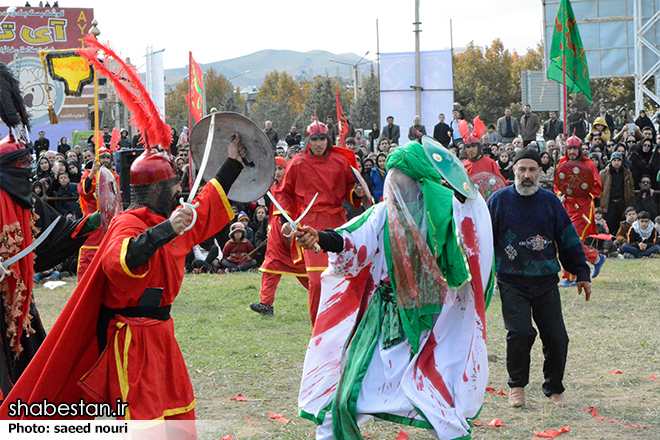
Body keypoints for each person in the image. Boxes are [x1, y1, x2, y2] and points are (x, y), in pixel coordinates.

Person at [0, 134, 247, 432]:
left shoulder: (173, 221)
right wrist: (165, 231)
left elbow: (205, 205)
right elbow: (119, 261)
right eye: (173, 184)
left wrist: (233, 162)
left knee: (178, 411)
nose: (180, 189)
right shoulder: (127, 223)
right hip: (132, 341)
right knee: (144, 421)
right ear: (154, 190)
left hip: (163, 335)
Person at [295, 140, 493, 440]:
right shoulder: (381, 215)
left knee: (437, 395)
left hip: (434, 324)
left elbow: (472, 249)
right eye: (393, 179)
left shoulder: (448, 213)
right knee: (350, 390)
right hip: (383, 322)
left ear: (420, 180)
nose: (396, 187)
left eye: (404, 180)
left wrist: (469, 202)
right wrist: (321, 239)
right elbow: (351, 239)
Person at [488, 147, 591, 409]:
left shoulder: (550, 202)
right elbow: (482, 240)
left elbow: (567, 238)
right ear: (514, 170)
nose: (527, 175)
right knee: (520, 333)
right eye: (522, 169)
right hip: (511, 280)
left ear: (540, 172)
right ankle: (517, 386)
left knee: (557, 337)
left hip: (545, 281)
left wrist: (581, 272)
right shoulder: (498, 201)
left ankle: (554, 389)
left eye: (532, 169)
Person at [0, 133, 100, 402]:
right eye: (19, 168)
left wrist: (95, 221)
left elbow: (58, 233)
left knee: (33, 369)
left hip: (20, 301)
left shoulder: (26, 201)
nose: (26, 175)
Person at [276, 119, 365, 326]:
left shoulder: (340, 161)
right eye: (314, 139)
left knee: (343, 275)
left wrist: (357, 192)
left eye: (322, 139)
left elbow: (350, 190)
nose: (318, 143)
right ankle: (318, 328)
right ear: (308, 140)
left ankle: (345, 323)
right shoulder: (297, 163)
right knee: (316, 281)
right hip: (310, 225)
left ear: (328, 139)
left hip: (337, 222)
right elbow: (284, 194)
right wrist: (286, 219)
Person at [250, 157, 309, 316]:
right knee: (271, 266)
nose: (277, 172)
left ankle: (325, 295)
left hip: (290, 232)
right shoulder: (274, 187)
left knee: (304, 268)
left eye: (281, 169)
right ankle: (266, 304)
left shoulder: (292, 187)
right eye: (275, 169)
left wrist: (286, 225)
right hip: (276, 233)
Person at [554, 136, 605, 286]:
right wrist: (560, 194)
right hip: (566, 208)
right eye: (570, 149)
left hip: (582, 208)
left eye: (575, 149)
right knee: (564, 241)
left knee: (573, 242)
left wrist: (581, 194)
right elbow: (557, 183)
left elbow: (596, 186)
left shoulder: (588, 164)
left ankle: (572, 276)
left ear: (580, 149)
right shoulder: (562, 163)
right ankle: (595, 258)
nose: (572, 152)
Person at [599, 152, 635, 234]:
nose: (616, 162)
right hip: (610, 202)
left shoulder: (627, 172)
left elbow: (631, 187)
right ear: (611, 161)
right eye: (614, 160)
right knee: (610, 222)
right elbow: (600, 188)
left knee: (621, 222)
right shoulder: (604, 173)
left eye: (618, 160)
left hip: (622, 201)